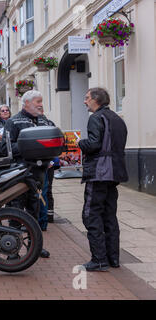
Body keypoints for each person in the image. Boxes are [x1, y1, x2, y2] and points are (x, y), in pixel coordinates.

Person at [76, 88, 128, 272]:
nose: (84, 101)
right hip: (114, 173)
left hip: (99, 173)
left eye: (86, 98)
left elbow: (94, 144)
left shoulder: (96, 118)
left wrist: (80, 143)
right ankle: (113, 258)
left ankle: (98, 259)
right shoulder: (117, 119)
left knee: (91, 215)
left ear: (96, 100)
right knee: (109, 216)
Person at [1, 90, 55, 259]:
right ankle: (12, 251)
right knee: (15, 212)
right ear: (26, 103)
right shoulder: (13, 122)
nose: (41, 104)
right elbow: (6, 149)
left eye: (41, 101)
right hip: (18, 174)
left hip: (39, 174)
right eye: (37, 101)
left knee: (36, 212)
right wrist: (31, 146)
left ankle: (35, 248)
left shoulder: (45, 121)